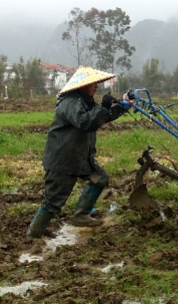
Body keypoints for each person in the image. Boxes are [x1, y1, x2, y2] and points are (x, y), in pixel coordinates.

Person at [26, 66, 132, 238]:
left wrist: (121, 106)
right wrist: (103, 107)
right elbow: (85, 122)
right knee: (52, 203)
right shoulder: (70, 103)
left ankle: (81, 215)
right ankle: (32, 235)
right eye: (93, 83)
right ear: (82, 85)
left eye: (97, 83)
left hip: (80, 157)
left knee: (100, 177)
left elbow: (100, 116)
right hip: (62, 161)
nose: (97, 86)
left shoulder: (85, 102)